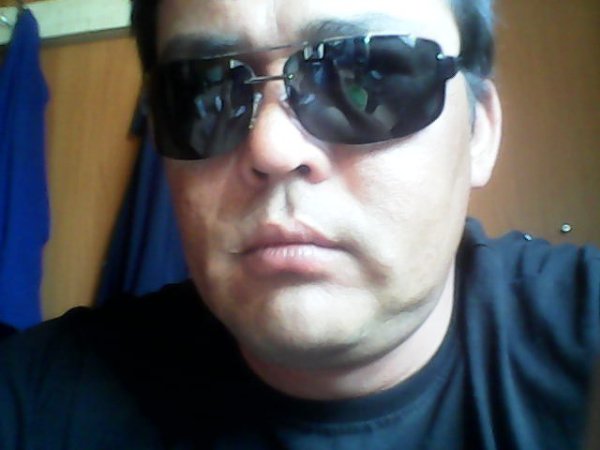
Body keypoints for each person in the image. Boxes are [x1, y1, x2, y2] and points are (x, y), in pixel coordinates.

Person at [1, 0, 598, 448]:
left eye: (367, 76)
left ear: (479, 132)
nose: (272, 147)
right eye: (206, 89)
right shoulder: (38, 395)